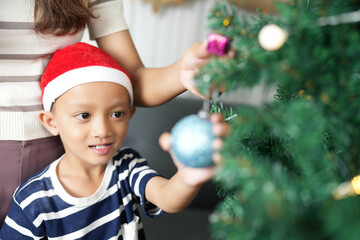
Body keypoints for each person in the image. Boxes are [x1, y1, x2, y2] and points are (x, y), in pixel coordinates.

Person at [0, 0, 232, 226]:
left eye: (117, 114)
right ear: (50, 121)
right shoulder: (33, 199)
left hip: (58, 146)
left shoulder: (124, 167)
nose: (102, 130)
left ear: (130, 113)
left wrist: (182, 72)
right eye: (85, 115)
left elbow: (167, 197)